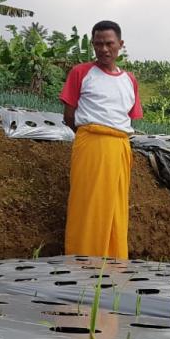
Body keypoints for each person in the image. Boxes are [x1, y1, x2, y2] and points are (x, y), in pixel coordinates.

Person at [59, 20, 143, 259]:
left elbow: (128, 117)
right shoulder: (81, 73)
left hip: (120, 147)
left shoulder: (130, 80)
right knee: (88, 205)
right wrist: (90, 137)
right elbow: (69, 115)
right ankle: (83, 259)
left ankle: (114, 261)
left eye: (109, 44)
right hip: (91, 143)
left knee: (116, 207)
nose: (104, 49)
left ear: (120, 45)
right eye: (98, 44)